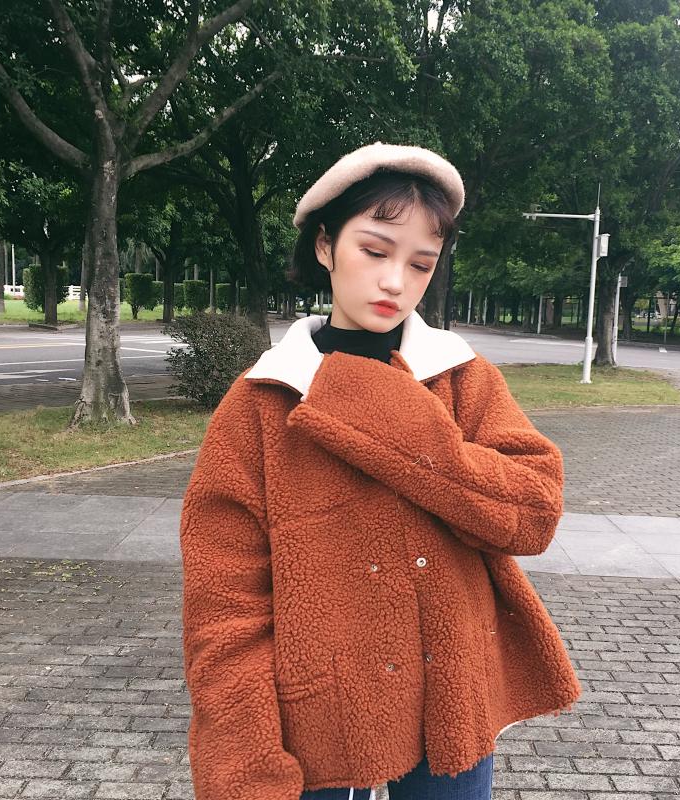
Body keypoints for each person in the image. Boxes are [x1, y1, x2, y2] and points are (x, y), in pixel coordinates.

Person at [179, 142, 582, 800]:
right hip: (321, 722)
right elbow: (224, 611)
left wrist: (386, 416)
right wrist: (246, 763)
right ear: (325, 245)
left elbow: (533, 511)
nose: (395, 282)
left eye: (421, 263)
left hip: (453, 705)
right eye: (374, 250)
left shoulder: (459, 376)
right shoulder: (262, 402)